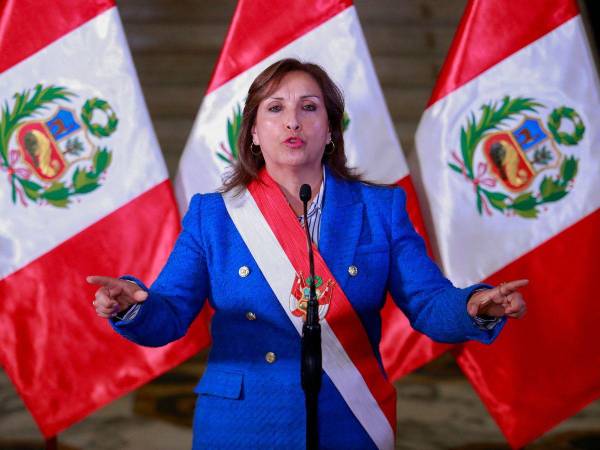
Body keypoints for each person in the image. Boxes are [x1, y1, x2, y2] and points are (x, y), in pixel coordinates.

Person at [87, 58, 527, 450]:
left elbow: (429, 302)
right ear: (253, 131)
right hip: (242, 425)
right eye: (275, 108)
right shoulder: (213, 216)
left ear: (331, 129)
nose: (292, 122)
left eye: (309, 108)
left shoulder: (380, 209)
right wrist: (131, 306)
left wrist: (474, 305)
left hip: (350, 419)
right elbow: (169, 313)